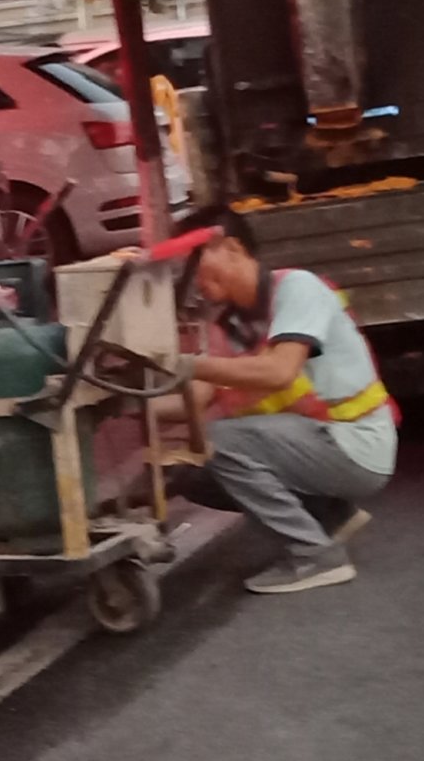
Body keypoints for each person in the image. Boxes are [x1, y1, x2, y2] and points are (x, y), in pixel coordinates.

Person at [161, 219, 396, 595]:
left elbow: (279, 372)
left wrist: (185, 364)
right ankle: (329, 516)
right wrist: (121, 402)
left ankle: (315, 556)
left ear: (233, 248)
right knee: (192, 473)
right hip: (318, 444)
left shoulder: (297, 287)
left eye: (193, 263)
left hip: (356, 444)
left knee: (217, 440)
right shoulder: (229, 324)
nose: (190, 280)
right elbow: (195, 398)